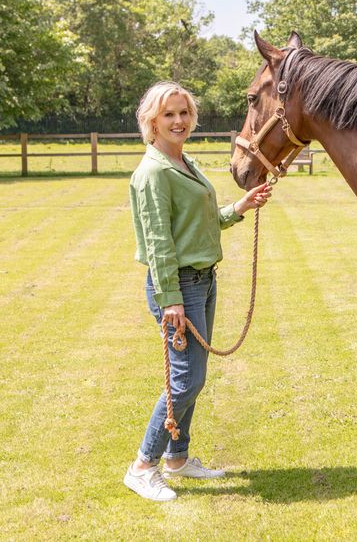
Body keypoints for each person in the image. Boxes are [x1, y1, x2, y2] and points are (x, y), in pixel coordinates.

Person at [123, 82, 272, 502]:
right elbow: (158, 243)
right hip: (179, 286)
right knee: (186, 378)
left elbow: (196, 224)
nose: (179, 121)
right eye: (169, 114)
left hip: (202, 280)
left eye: (184, 113)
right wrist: (170, 297)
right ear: (152, 121)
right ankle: (142, 466)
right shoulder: (153, 172)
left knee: (192, 376)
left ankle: (177, 458)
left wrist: (238, 208)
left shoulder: (183, 162)